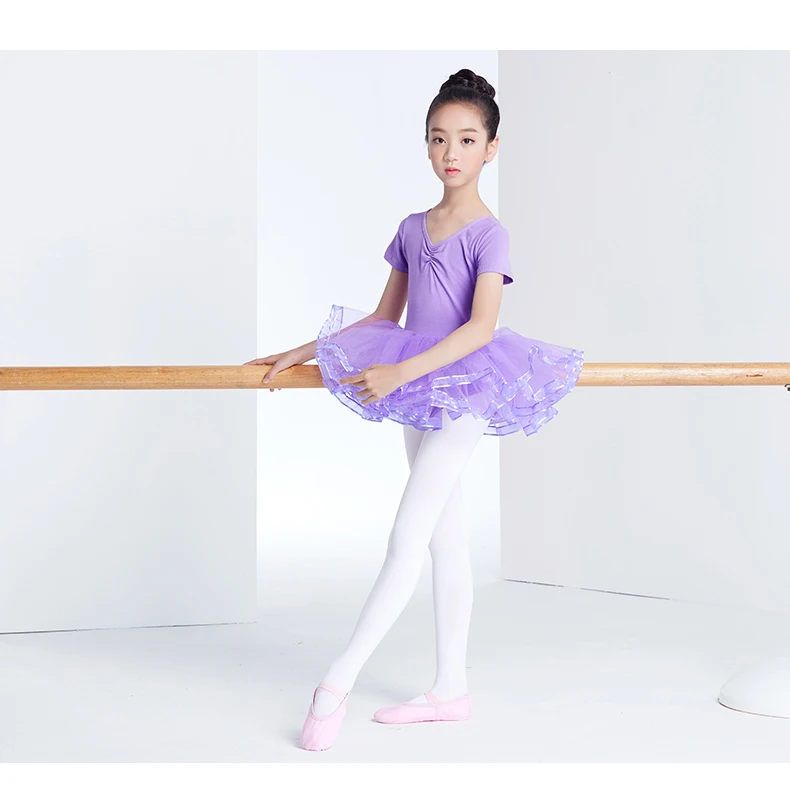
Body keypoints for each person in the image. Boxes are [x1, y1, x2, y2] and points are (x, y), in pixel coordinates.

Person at [244, 68, 584, 751]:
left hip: (461, 390)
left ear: (491, 147)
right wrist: (303, 349)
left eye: (467, 138)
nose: (451, 151)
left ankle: (336, 681)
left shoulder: (490, 234)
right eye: (438, 138)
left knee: (406, 538)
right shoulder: (411, 227)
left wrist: (401, 370)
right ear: (426, 145)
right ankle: (450, 690)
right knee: (442, 539)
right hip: (418, 390)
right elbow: (383, 316)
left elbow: (481, 327)